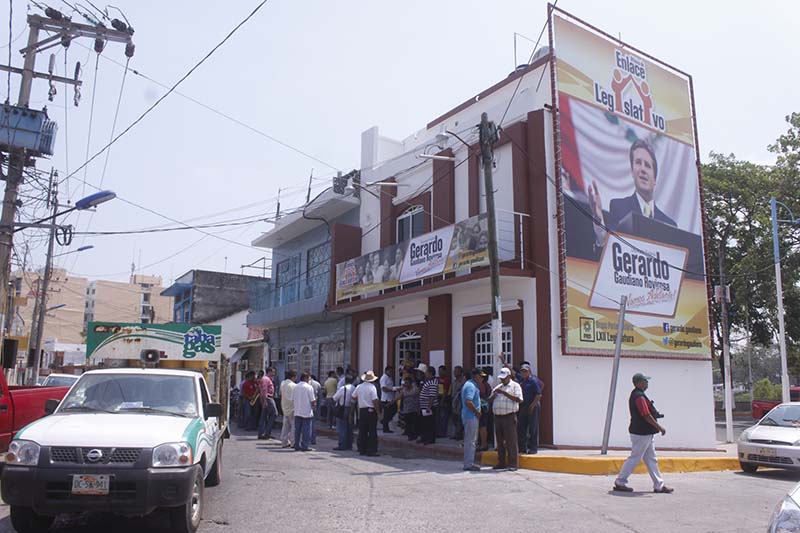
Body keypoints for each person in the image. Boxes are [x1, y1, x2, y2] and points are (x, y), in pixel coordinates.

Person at [589, 139, 677, 247]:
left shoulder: (670, 225)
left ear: (655, 179)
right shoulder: (619, 207)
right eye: (638, 163)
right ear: (632, 172)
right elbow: (608, 246)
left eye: (648, 165)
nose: (643, 169)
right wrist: (599, 220)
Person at [613, 373, 674, 493]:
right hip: (642, 433)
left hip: (645, 432)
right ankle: (620, 481)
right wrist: (659, 427)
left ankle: (659, 485)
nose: (647, 383)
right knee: (635, 458)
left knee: (651, 459)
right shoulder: (639, 397)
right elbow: (646, 415)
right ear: (638, 382)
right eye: (645, 381)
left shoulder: (638, 395)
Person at [489, 367, 523, 470]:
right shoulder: (498, 387)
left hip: (509, 416)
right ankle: (501, 462)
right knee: (499, 441)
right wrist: (493, 396)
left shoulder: (515, 386)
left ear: (509, 376)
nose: (502, 380)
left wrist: (504, 393)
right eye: (501, 378)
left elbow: (519, 399)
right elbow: (489, 400)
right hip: (498, 417)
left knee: (511, 441)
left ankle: (513, 464)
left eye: (504, 378)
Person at [352, 370, 381, 457]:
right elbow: (375, 400)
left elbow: (353, 397)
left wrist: (361, 400)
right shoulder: (372, 387)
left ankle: (362, 449)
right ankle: (371, 450)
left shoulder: (359, 387)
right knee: (372, 430)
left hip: (362, 410)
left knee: (362, 430)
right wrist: (378, 412)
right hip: (370, 410)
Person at [517, 363, 543, 454]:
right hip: (523, 405)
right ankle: (523, 448)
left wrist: (532, 406)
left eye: (525, 371)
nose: (523, 373)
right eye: (522, 371)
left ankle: (533, 448)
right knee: (522, 427)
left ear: (529, 372)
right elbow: (513, 373)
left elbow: (539, 394)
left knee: (533, 427)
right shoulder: (521, 380)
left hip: (533, 405)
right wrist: (504, 362)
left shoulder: (533, 381)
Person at [461, 368, 483, 471]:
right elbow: (468, 401)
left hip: (469, 416)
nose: (482, 378)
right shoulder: (471, 386)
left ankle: (468, 462)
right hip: (471, 416)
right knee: (471, 441)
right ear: (476, 376)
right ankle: (469, 464)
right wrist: (477, 412)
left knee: (469, 440)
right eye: (481, 376)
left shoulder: (470, 384)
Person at [292, 372, 316, 452]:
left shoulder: (295, 387)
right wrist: (313, 406)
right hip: (306, 412)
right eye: (308, 378)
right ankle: (305, 446)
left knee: (297, 430)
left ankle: (296, 445)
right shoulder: (309, 387)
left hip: (297, 411)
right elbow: (312, 400)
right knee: (306, 430)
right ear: (306, 378)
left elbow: (292, 399)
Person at [333, 375, 355, 451]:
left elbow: (335, 398)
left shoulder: (343, 388)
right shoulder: (354, 388)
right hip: (351, 408)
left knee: (342, 427)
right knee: (350, 428)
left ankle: (342, 444)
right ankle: (349, 445)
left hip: (342, 408)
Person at [419, 366, 439, 445]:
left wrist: (429, 407)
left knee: (429, 423)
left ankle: (429, 439)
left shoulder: (433, 382)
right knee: (424, 423)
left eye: (426, 372)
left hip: (429, 407)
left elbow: (432, 396)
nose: (425, 374)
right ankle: (424, 438)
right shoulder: (428, 381)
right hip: (424, 406)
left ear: (430, 373)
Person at [258, 367, 278, 440]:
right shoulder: (266, 379)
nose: (274, 374)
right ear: (269, 372)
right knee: (274, 414)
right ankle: (267, 432)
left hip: (266, 398)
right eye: (273, 372)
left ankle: (263, 433)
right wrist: (265, 400)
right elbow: (264, 389)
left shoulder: (267, 379)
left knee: (264, 416)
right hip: (268, 398)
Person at [279, 370, 298, 448]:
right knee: (293, 426)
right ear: (293, 377)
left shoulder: (282, 383)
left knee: (285, 426)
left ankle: (284, 442)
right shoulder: (294, 385)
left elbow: (280, 394)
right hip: (292, 407)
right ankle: (293, 442)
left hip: (284, 405)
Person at [399, 376, 420, 441]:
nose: (406, 384)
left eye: (407, 383)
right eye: (405, 383)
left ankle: (415, 435)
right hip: (406, 409)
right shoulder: (404, 390)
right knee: (408, 423)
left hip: (414, 408)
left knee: (414, 423)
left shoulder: (415, 389)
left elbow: (419, 397)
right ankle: (410, 436)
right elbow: (400, 397)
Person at [379, 366, 398, 433]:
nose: (391, 372)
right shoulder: (384, 378)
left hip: (391, 398)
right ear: (386, 371)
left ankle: (384, 422)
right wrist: (392, 390)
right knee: (388, 413)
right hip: (386, 399)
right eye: (390, 371)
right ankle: (385, 427)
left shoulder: (389, 378)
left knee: (393, 410)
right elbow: (383, 388)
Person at [450, 366, 466, 440]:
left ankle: (459, 434)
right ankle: (456, 433)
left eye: (456, 371)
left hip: (461, 402)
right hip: (454, 402)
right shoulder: (454, 381)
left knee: (460, 419)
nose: (454, 372)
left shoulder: (463, 381)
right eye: (454, 371)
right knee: (455, 418)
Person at [437, 365, 451, 438]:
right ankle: (438, 431)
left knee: (444, 417)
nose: (439, 372)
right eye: (439, 371)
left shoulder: (446, 379)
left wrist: (442, 400)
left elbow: (445, 391)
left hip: (444, 399)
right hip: (438, 397)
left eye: (441, 371)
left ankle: (442, 433)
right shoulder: (438, 379)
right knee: (439, 417)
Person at [308, 374, 321, 445]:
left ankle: (308, 438)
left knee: (307, 424)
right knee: (313, 423)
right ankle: (313, 439)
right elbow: (320, 397)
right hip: (314, 405)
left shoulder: (304, 385)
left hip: (306, 406)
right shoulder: (317, 384)